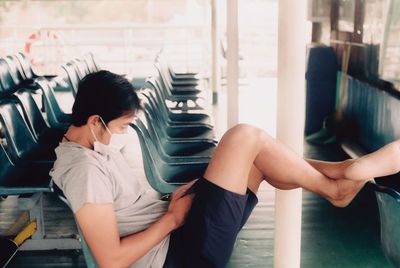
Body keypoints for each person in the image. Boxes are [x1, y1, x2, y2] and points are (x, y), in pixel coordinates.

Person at [51, 70, 399, 268]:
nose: (124, 134)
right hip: (178, 254)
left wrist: (170, 201)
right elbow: (110, 260)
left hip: (177, 230)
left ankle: (340, 174)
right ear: (96, 121)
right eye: (124, 126)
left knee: (254, 153)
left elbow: (127, 208)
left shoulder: (90, 150)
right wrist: (172, 217)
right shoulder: (84, 169)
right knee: (244, 137)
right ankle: (337, 182)